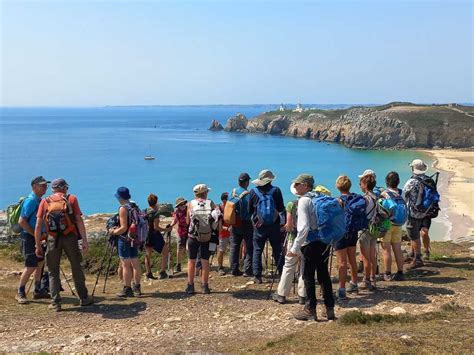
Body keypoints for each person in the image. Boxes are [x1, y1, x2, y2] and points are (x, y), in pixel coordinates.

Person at [34, 178, 93, 311]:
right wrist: (84, 240)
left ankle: (55, 302)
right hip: (70, 237)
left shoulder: (45, 201)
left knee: (53, 271)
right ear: (64, 188)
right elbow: (78, 220)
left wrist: (38, 245)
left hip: (52, 239)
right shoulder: (71, 199)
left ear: (53, 189)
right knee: (76, 266)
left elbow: (38, 225)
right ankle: (83, 298)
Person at [289, 174, 335, 321]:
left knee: (308, 276)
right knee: (323, 275)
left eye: (297, 184)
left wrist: (295, 248)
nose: (295, 187)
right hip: (323, 241)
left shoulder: (304, 201)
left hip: (309, 244)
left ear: (306, 185)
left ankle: (310, 309)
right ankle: (329, 309)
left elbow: (303, 228)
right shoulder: (319, 197)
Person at [15, 176, 50, 304]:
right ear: (34, 186)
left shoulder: (39, 200)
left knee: (40, 263)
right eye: (42, 185)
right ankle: (20, 292)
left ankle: (37, 290)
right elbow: (22, 221)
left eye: (46, 185)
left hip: (38, 237)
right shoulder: (30, 201)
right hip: (29, 237)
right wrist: (36, 235)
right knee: (30, 265)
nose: (45, 187)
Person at [248, 169, 285, 284]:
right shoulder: (276, 191)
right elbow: (280, 208)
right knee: (277, 249)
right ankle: (281, 273)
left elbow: (250, 210)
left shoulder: (253, 192)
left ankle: (257, 276)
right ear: (270, 180)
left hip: (259, 226)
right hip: (274, 225)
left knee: (257, 250)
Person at [271, 188, 306, 304]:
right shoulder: (312, 202)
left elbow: (290, 226)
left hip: (293, 239)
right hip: (308, 241)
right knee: (304, 268)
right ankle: (303, 296)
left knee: (289, 266)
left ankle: (281, 294)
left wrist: (286, 226)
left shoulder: (291, 204)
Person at [108, 187, 142, 298]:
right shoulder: (134, 206)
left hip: (124, 239)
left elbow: (123, 228)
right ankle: (137, 287)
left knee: (125, 264)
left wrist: (113, 232)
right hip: (134, 238)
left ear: (119, 197)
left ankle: (127, 289)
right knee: (135, 263)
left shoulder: (123, 208)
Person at [185, 184, 217, 294]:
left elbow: (188, 221)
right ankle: (205, 286)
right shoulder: (211, 203)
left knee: (191, 261)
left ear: (195, 193)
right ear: (205, 193)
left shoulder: (190, 204)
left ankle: (190, 286)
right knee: (205, 261)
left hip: (193, 236)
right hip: (207, 235)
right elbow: (216, 217)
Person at [402, 159, 435, 266]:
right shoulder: (429, 181)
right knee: (419, 233)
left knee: (414, 234)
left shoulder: (411, 182)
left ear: (413, 169)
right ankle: (417, 253)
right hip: (426, 212)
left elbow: (403, 196)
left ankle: (417, 258)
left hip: (414, 212)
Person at [334, 175, 360, 299]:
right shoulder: (355, 198)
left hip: (340, 233)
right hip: (353, 232)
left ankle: (342, 288)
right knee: (352, 259)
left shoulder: (337, 201)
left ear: (338, 187)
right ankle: (354, 283)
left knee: (342, 262)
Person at [380, 172, 405, 281]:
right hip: (399, 224)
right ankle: (400, 272)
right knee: (398, 249)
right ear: (398, 182)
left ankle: (387, 273)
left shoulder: (385, 193)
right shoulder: (401, 192)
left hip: (387, 223)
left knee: (386, 250)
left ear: (386, 182)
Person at [228, 173, 254, 277]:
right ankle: (247, 270)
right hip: (246, 222)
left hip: (234, 222)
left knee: (234, 246)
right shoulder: (248, 194)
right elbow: (251, 209)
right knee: (249, 246)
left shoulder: (232, 192)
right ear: (247, 182)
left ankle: (234, 269)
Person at [144, 193, 172, 280]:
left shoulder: (145, 211)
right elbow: (156, 227)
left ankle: (148, 273)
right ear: (156, 202)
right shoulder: (155, 213)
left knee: (148, 254)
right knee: (165, 251)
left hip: (146, 235)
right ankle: (162, 272)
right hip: (155, 234)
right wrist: (166, 230)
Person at [358, 173, 378, 291]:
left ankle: (366, 281)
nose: (359, 185)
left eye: (360, 183)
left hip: (365, 229)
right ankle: (373, 279)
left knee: (365, 257)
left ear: (365, 185)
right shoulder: (376, 197)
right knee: (372, 256)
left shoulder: (364, 199)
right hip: (374, 228)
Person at [171, 197, 188, 273]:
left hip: (189, 231)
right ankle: (178, 265)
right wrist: (170, 225)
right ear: (178, 206)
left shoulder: (189, 209)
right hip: (181, 231)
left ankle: (191, 264)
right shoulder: (177, 212)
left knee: (189, 248)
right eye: (181, 204)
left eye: (184, 203)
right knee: (180, 249)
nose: (183, 205)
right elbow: (175, 220)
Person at [217, 192, 231, 276]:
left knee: (234, 249)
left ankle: (234, 265)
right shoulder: (219, 209)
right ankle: (220, 267)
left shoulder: (230, 207)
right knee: (221, 250)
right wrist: (226, 228)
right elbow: (218, 223)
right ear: (225, 200)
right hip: (222, 233)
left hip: (231, 232)